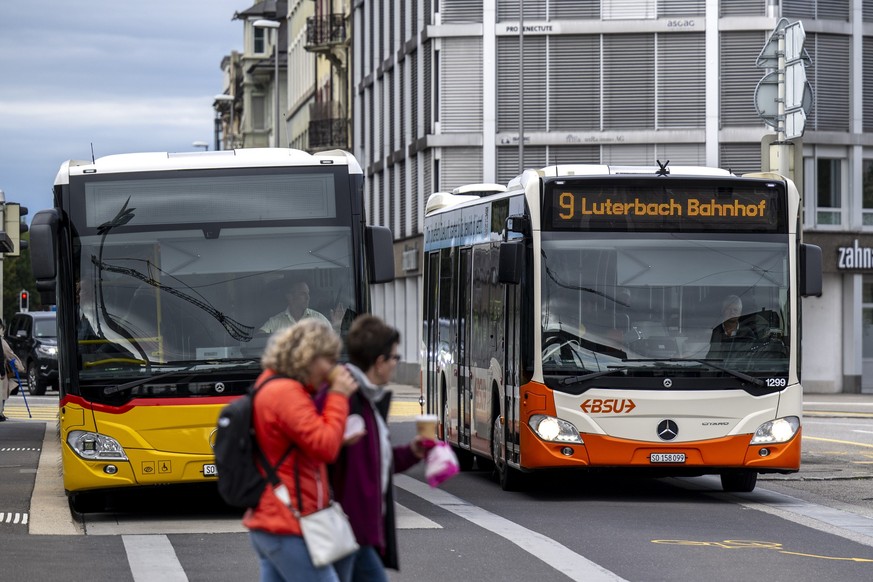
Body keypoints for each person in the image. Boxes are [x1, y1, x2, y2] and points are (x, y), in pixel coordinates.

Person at [244, 319, 359, 582]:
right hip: (286, 522)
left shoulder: (275, 385)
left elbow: (301, 444)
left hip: (277, 519)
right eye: (328, 360)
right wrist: (339, 395)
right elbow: (325, 447)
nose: (333, 368)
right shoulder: (285, 393)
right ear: (308, 357)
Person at [323, 315, 432, 582]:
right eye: (394, 357)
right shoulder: (348, 398)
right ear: (380, 362)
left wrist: (411, 452)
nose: (396, 364)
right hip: (348, 531)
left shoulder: (365, 396)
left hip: (357, 533)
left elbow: (374, 461)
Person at [260, 279, 344, 334]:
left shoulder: (318, 319)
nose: (308, 297)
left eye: (308, 293)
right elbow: (258, 340)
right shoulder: (276, 322)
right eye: (303, 294)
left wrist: (337, 326)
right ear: (290, 297)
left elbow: (332, 343)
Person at [706, 295, 755, 360]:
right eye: (729, 309)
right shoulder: (714, 331)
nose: (732, 312)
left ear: (740, 313)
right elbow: (710, 357)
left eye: (735, 310)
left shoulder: (747, 332)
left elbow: (750, 357)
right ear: (723, 311)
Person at [0, 319, 25, 422]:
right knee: (2, 393)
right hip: (1, 372)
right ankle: (0, 413)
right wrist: (20, 367)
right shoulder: (1, 341)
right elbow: (9, 355)